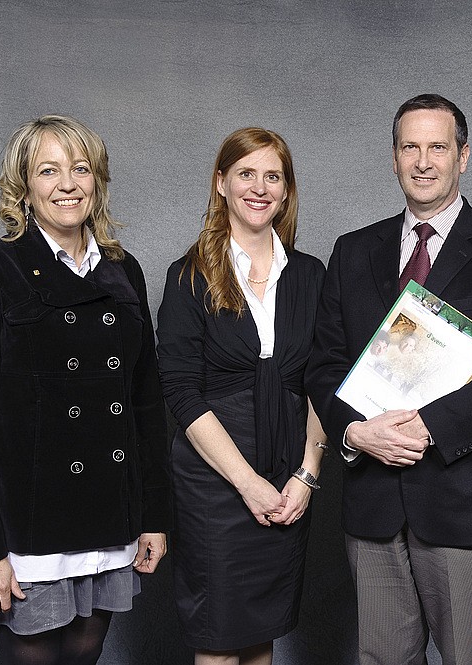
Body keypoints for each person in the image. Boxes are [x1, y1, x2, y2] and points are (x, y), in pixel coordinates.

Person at [306, 94, 472, 664]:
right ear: (393, 158)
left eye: (437, 146)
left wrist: (429, 427)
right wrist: (355, 433)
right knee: (382, 658)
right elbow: (323, 364)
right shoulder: (352, 251)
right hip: (372, 503)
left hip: (465, 498)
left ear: (463, 156)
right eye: (409, 147)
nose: (423, 160)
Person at [0, 115, 172, 664]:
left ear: (97, 181)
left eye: (80, 168)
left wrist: (154, 517)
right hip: (28, 527)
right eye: (49, 170)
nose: (67, 184)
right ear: (23, 185)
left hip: (108, 518)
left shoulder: (122, 270)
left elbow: (144, 405)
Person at [155, 127, 326, 665]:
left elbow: (323, 379)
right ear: (221, 183)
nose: (259, 187)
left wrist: (307, 474)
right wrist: (248, 483)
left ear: (286, 190)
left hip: (289, 475)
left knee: (260, 639)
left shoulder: (310, 274)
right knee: (219, 643)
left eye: (272, 176)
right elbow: (180, 392)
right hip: (216, 484)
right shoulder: (188, 276)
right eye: (246, 173)